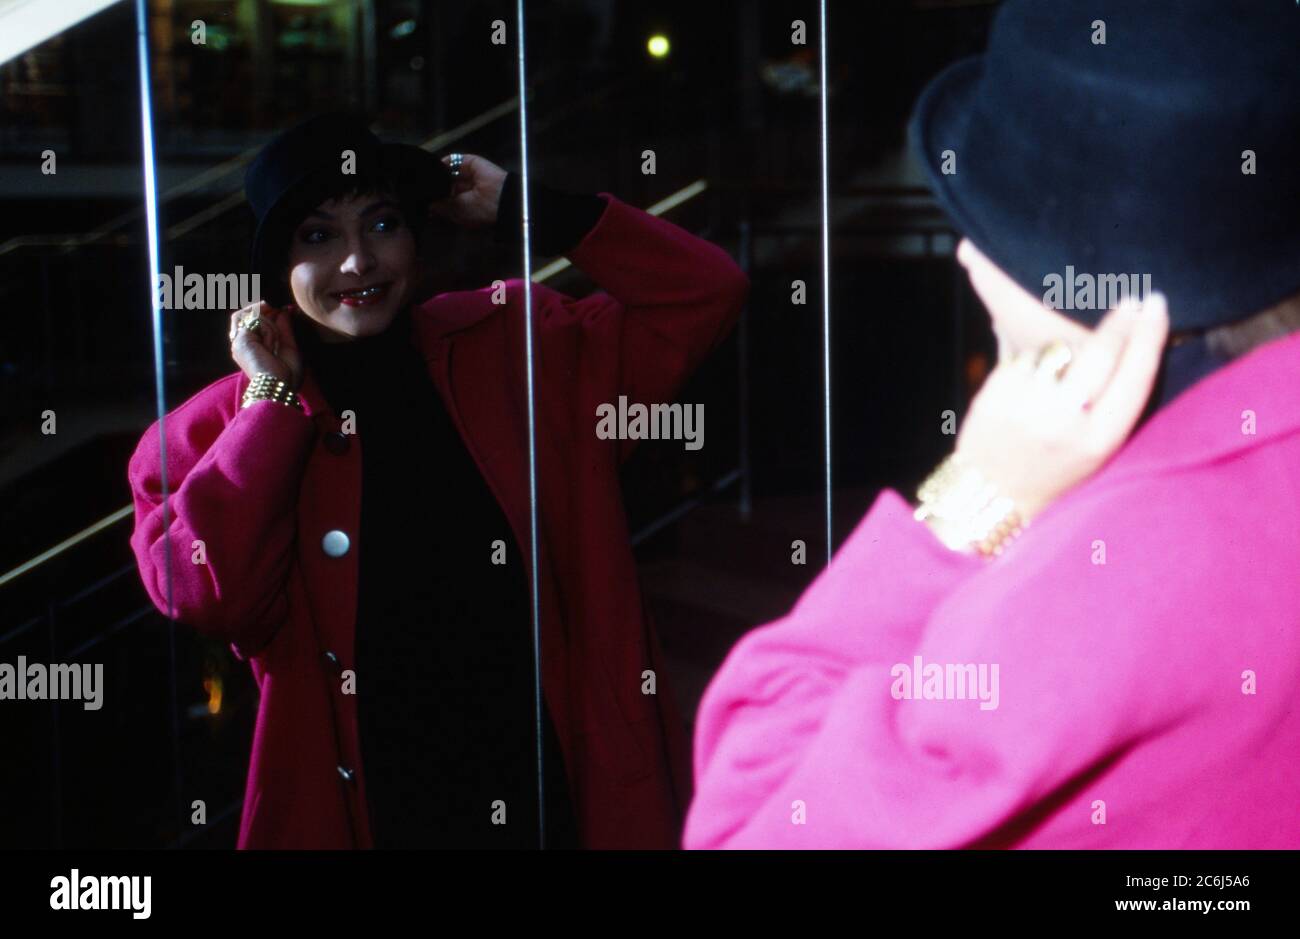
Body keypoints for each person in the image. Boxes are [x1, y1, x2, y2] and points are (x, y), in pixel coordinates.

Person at [683, 0, 1300, 848]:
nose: (967, 255)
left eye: (991, 231)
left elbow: (748, 819)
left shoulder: (1122, 567)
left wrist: (978, 496)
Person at [128, 112, 748, 849]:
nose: (359, 262)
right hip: (379, 810)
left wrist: (529, 205)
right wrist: (269, 404)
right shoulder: (212, 432)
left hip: (554, 791)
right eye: (319, 236)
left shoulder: (516, 341)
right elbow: (203, 596)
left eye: (382, 224)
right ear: (275, 269)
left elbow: (705, 292)